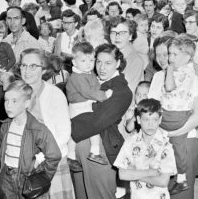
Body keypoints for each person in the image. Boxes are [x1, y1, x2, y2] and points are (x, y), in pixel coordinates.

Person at [71, 44, 132, 198]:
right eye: (98, 61)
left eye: (108, 63)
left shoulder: (121, 90)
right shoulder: (88, 79)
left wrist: (68, 128)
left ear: (118, 63)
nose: (101, 67)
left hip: (100, 150)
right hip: (79, 151)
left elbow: (96, 122)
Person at [149, 36, 198, 199]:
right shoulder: (158, 76)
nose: (162, 59)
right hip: (160, 140)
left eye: (166, 54)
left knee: (181, 195)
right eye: (158, 55)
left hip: (184, 138)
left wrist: (174, 133)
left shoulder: (191, 78)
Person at [19, 48, 75, 198]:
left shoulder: (54, 94)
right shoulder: (18, 93)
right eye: (23, 65)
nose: (27, 71)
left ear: (43, 70)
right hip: (25, 159)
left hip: (49, 160)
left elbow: (63, 134)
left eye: (33, 66)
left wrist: (39, 158)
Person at [0, 80, 62, 198]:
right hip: (6, 179)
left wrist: (42, 176)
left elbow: (54, 155)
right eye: (6, 100)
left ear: (26, 103)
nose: (8, 105)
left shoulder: (38, 129)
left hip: (26, 179)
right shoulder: (5, 126)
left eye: (14, 101)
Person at [114, 98, 177, 199]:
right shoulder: (130, 142)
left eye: (155, 119)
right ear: (138, 120)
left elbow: (163, 181)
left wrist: (134, 172)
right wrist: (151, 172)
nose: (150, 124)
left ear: (160, 120)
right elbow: (122, 174)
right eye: (146, 119)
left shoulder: (166, 146)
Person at [66, 42, 114, 170]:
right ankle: (88, 153)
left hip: (86, 104)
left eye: (91, 60)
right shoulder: (77, 77)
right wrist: (104, 95)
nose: (88, 64)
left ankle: (86, 153)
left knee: (84, 131)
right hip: (78, 107)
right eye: (83, 60)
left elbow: (95, 85)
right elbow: (88, 92)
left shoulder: (87, 72)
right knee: (86, 130)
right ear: (74, 62)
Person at [109, 16, 144, 92]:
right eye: (113, 32)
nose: (117, 37)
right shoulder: (109, 55)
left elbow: (125, 91)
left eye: (122, 33)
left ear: (130, 36)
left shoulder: (135, 60)